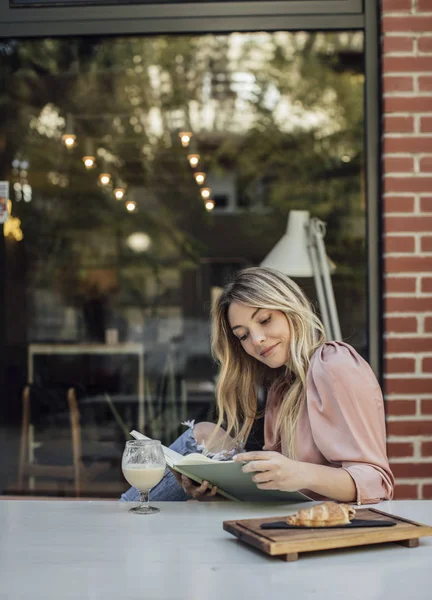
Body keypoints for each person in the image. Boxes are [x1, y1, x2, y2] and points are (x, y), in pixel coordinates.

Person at [121, 267, 394, 505]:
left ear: (290, 309)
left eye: (265, 320)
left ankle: (121, 517)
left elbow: (377, 482)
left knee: (138, 505)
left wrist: (301, 473)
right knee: (203, 434)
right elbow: (279, 489)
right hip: (286, 515)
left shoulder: (334, 363)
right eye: (243, 335)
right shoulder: (283, 386)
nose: (257, 340)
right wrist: (213, 493)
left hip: (324, 524)